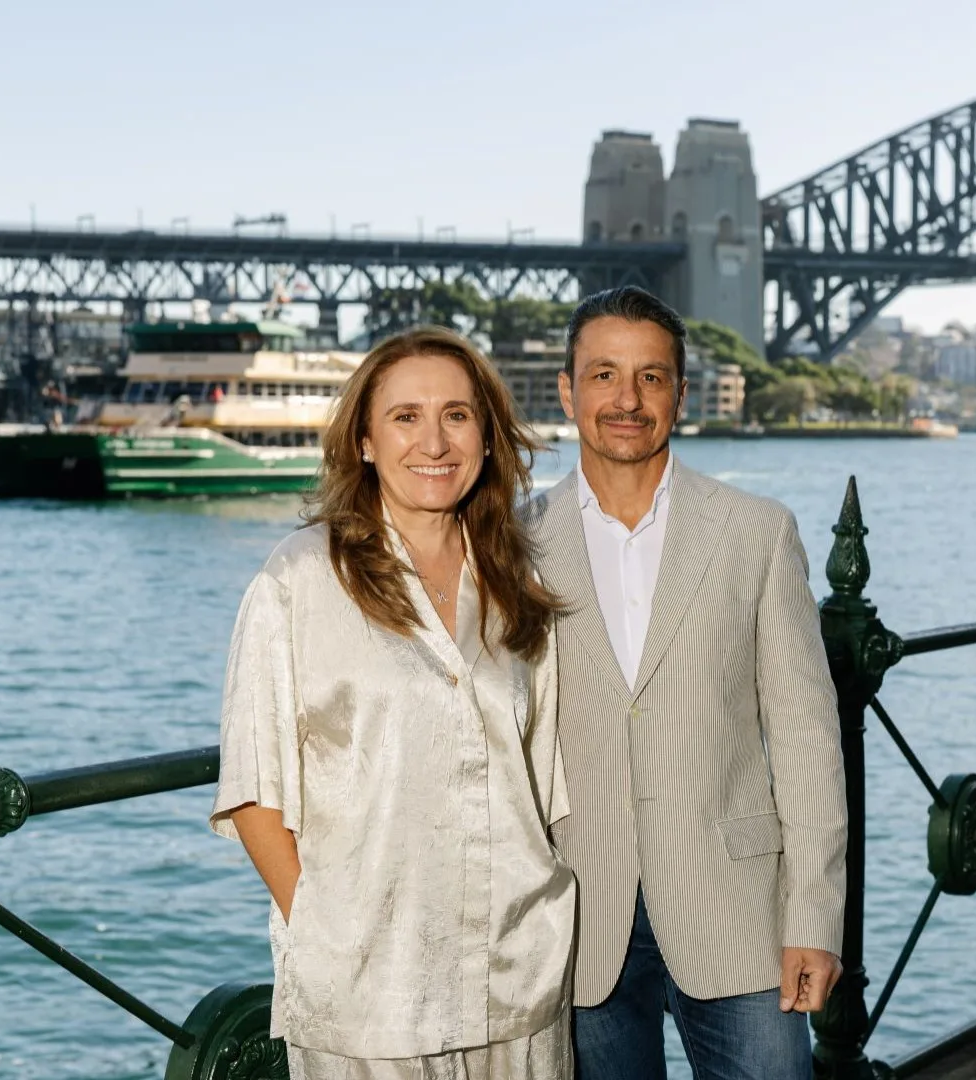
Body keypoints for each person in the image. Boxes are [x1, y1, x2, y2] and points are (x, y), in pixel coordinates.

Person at [209, 326, 575, 1079]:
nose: (434, 442)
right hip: (371, 995)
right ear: (366, 442)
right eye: (406, 417)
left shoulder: (513, 584)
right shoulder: (298, 582)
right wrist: (330, 929)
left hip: (517, 979)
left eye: (457, 415)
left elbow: (540, 785)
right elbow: (252, 792)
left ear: (486, 434)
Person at [531, 286, 847, 1079]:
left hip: (735, 908)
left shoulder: (755, 531)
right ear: (567, 391)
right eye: (603, 375)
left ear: (680, 392)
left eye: (650, 377)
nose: (626, 400)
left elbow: (807, 736)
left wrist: (815, 914)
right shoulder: (512, 540)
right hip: (578, 912)